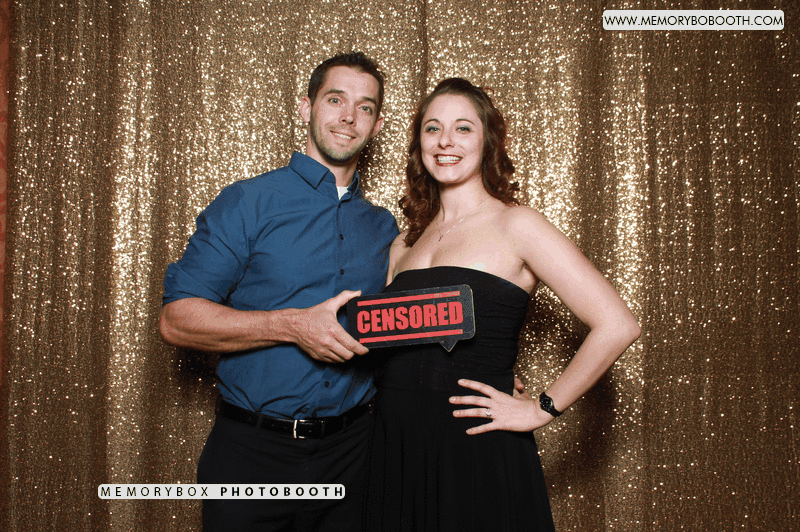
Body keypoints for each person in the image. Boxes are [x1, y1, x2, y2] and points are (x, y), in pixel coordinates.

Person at [363, 78, 641, 531]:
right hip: (396, 445)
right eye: (433, 128)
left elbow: (617, 324)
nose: (446, 141)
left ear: (487, 141)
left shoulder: (517, 225)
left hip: (474, 446)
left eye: (463, 128)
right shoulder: (404, 243)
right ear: (419, 145)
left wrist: (540, 409)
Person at [159, 52, 399, 532]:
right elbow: (176, 320)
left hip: (354, 455)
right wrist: (291, 325)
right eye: (336, 100)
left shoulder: (384, 228)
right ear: (306, 108)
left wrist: (477, 370)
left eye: (365, 107)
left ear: (376, 126)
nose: (349, 117)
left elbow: (405, 327)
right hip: (252, 455)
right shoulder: (247, 202)